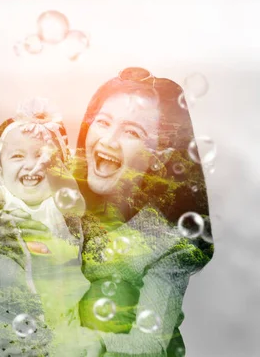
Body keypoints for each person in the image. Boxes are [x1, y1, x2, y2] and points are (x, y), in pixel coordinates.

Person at [70, 67, 214, 356]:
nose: (109, 140)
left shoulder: (169, 243)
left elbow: (146, 346)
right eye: (103, 122)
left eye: (132, 132)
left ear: (160, 157)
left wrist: (73, 345)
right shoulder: (63, 209)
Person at [0, 99, 90, 356]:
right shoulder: (1, 203)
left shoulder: (58, 207)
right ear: (0, 168)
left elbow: (75, 203)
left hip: (62, 340)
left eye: (43, 155)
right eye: (17, 156)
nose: (32, 164)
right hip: (9, 340)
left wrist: (54, 168)